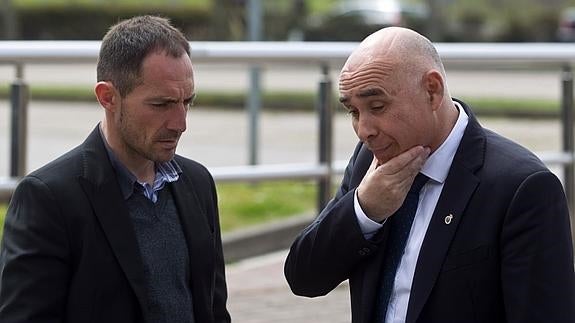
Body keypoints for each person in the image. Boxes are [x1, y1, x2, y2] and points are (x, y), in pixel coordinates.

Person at [284, 27, 575, 323]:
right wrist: (364, 210)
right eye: (354, 112)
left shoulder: (521, 188)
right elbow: (304, 277)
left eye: (377, 106)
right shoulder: (369, 162)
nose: (364, 130)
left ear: (432, 90)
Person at [0, 15, 230, 323]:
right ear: (108, 97)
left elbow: (214, 311)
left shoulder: (197, 183)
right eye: (161, 105)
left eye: (187, 102)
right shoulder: (49, 199)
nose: (180, 123)